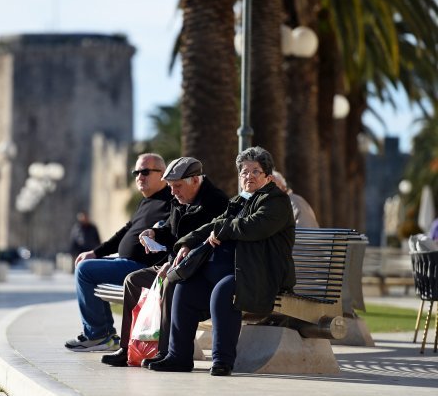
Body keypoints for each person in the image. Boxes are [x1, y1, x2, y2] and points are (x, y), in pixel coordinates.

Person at [148, 146, 295, 376]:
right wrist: (187, 242)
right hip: (231, 270)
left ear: (267, 175)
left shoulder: (276, 201)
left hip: (259, 275)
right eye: (244, 172)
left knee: (224, 292)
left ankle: (222, 361)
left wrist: (223, 230)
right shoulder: (239, 201)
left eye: (255, 171)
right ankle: (178, 357)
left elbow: (255, 226)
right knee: (184, 288)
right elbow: (212, 225)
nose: (249, 177)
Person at [101, 157, 229, 367]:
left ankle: (167, 352)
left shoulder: (215, 203)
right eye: (170, 186)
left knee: (170, 283)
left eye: (177, 186)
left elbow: (207, 245)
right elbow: (171, 232)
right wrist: (154, 233)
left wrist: (173, 265)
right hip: (175, 263)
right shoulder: (180, 201)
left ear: (195, 181)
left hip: (199, 272)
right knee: (133, 281)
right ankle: (128, 348)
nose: (173, 192)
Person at [65, 153, 173, 352]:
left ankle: (98, 334)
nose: (140, 177)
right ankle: (104, 334)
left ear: (163, 174)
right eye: (136, 172)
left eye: (146, 172)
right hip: (127, 262)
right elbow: (125, 231)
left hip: (144, 268)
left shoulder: (171, 201)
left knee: (85, 270)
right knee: (88, 264)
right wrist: (96, 253)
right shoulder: (147, 202)